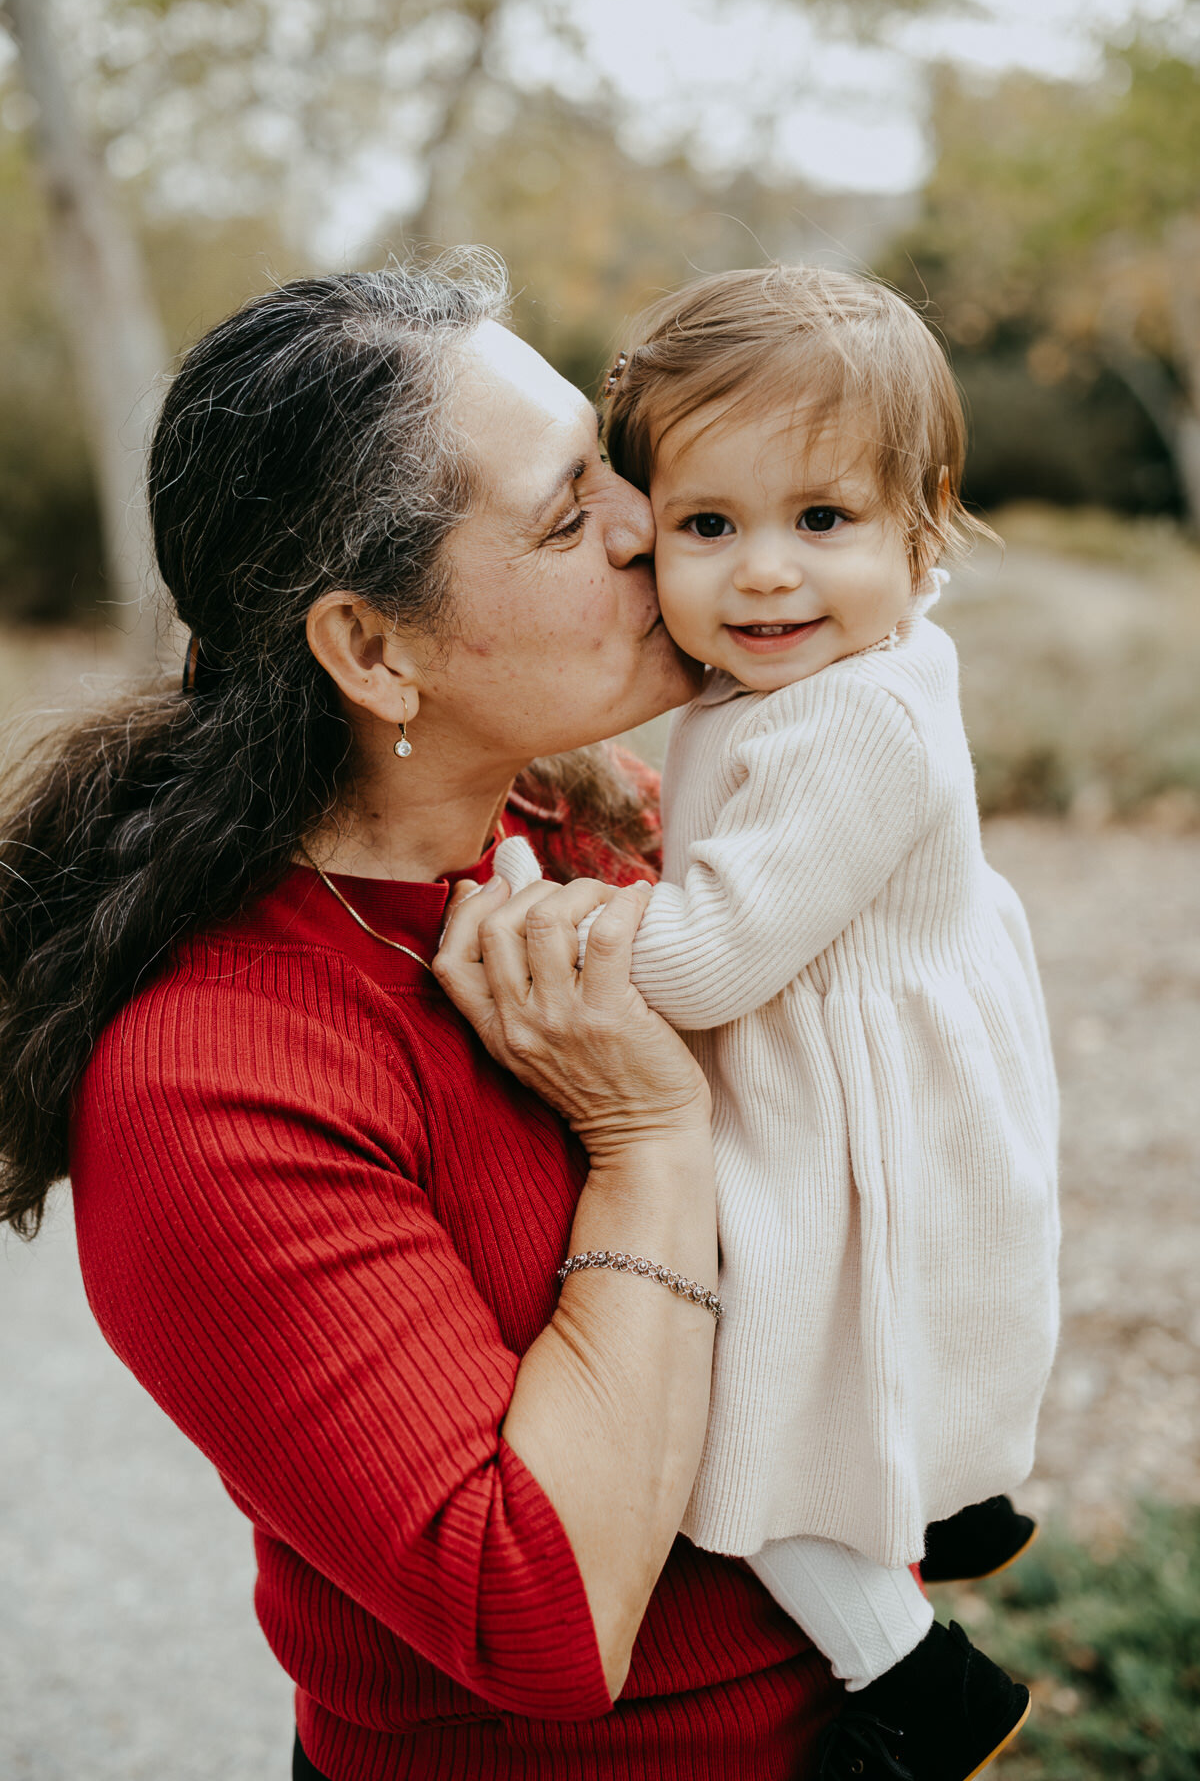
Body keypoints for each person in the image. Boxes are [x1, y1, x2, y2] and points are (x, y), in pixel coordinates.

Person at [0, 259, 840, 1780]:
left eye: (610, 464)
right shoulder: (212, 1083)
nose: (651, 520)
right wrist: (646, 1140)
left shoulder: (601, 817)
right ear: (375, 648)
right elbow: (545, 1623)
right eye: (569, 512)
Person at [497, 266, 1060, 1781]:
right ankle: (950, 1492)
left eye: (823, 522)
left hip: (835, 1076)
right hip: (857, 1042)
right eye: (708, 527)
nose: (762, 578)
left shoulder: (860, 716)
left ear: (919, 523)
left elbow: (701, 961)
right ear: (648, 523)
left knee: (745, 1402)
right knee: (887, 1323)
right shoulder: (823, 656)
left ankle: (912, 1669)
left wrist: (563, 918)